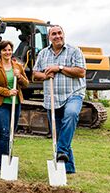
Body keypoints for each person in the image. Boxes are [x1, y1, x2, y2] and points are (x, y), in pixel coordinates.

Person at [33, 25, 86, 174]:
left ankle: (61, 151)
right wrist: (44, 76)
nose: (57, 36)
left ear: (64, 34)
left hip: (73, 94)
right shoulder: (43, 54)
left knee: (71, 114)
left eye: (59, 33)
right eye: (53, 34)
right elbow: (35, 74)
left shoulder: (75, 51)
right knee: (59, 132)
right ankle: (68, 168)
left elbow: (81, 72)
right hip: (52, 99)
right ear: (49, 37)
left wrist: (59, 68)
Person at [0, 40, 29, 170]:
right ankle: (3, 164)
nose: (7, 52)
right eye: (5, 50)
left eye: (9, 50)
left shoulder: (18, 66)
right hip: (0, 104)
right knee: (4, 133)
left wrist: (20, 77)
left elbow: (26, 84)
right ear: (0, 52)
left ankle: (9, 161)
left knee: (11, 133)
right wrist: (7, 92)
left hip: (15, 104)